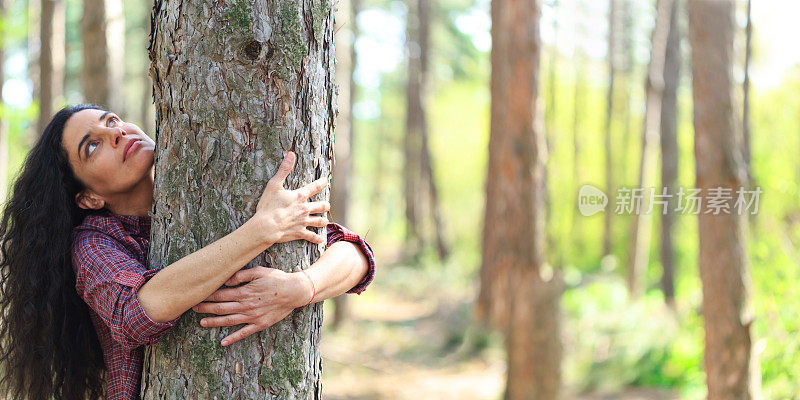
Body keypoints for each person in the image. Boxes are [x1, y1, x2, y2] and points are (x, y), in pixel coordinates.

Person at [0, 104, 376, 400]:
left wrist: (301, 288)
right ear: (89, 197)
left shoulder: (205, 187)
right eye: (92, 145)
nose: (116, 133)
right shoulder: (94, 244)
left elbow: (354, 253)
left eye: (111, 120)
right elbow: (137, 311)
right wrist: (261, 230)